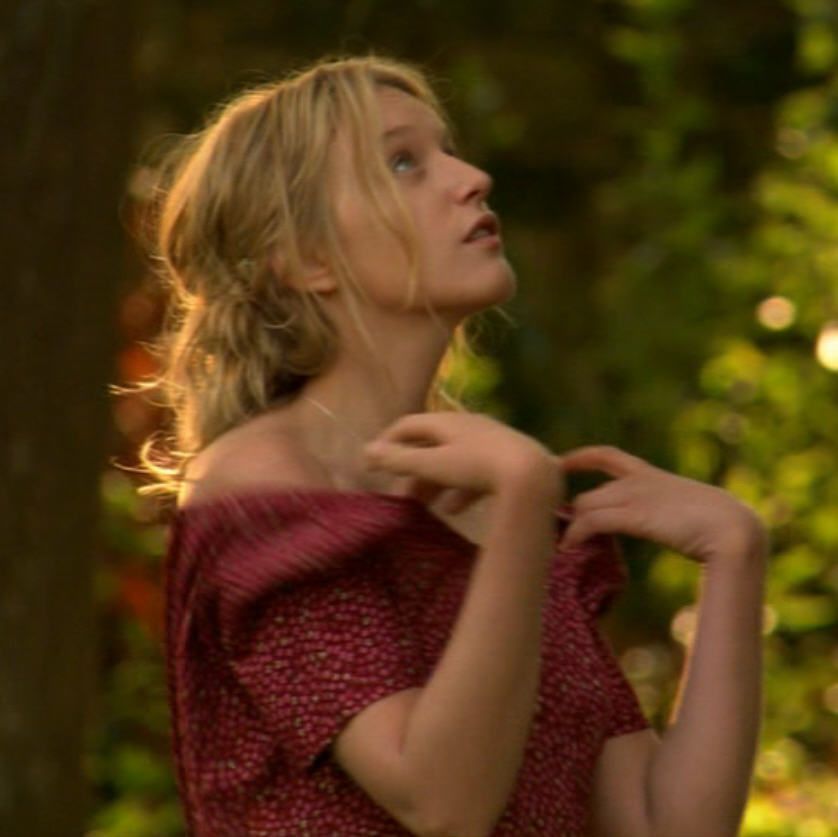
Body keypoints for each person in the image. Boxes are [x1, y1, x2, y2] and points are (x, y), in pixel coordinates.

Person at [132, 54, 768, 836]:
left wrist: (735, 552)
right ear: (305, 258)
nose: (472, 179)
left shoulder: (495, 499)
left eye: (448, 151)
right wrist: (521, 509)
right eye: (403, 163)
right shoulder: (268, 493)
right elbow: (440, 801)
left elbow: (664, 825)